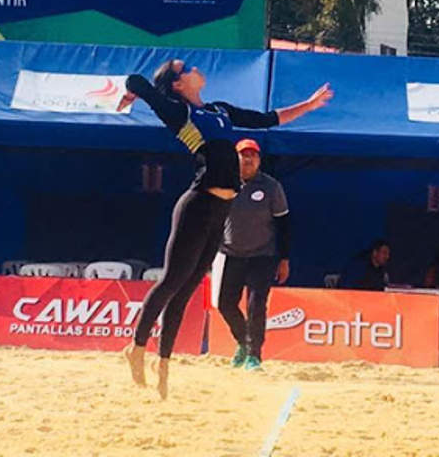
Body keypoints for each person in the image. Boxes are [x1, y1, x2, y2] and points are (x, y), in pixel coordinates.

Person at [118, 59, 332, 398]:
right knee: (172, 281)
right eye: (184, 67)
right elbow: (137, 79)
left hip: (221, 209)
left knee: (187, 289)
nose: (194, 68)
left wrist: (308, 105)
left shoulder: (220, 110)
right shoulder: (180, 113)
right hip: (198, 204)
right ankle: (137, 347)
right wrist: (133, 93)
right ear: (177, 85)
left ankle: (163, 363)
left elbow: (269, 119)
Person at [216, 138, 290, 371]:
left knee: (256, 305)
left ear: (259, 160)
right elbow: (212, 220)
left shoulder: (270, 186)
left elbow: (284, 224)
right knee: (225, 304)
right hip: (231, 253)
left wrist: (284, 258)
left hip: (262, 255)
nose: (248, 159)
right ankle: (243, 342)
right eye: (243, 155)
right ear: (235, 158)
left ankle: (254, 356)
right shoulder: (224, 183)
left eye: (253, 155)